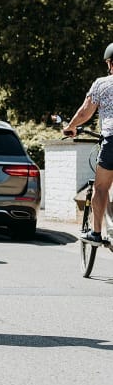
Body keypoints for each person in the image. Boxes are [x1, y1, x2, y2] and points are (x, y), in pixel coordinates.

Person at [63, 43, 113, 245]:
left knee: (101, 188)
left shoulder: (102, 84)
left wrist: (71, 126)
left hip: (112, 140)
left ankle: (96, 233)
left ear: (110, 63)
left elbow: (85, 111)